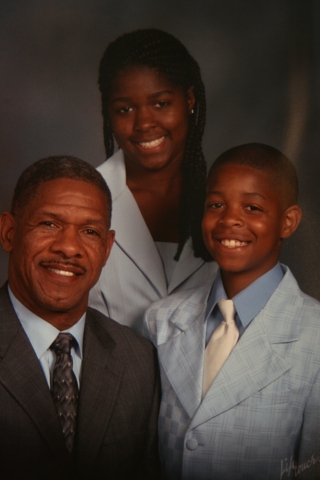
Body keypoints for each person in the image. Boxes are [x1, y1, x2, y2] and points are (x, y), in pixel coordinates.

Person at [144, 143, 320, 480]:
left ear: (288, 221)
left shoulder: (314, 337)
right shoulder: (159, 320)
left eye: (252, 207)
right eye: (216, 205)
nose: (230, 219)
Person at [0, 156, 160, 480]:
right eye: (49, 224)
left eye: (89, 231)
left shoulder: (138, 360)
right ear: (9, 232)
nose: (69, 247)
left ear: (107, 248)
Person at [89, 28, 218, 334]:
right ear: (109, 113)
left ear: (189, 100)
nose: (144, 123)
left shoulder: (224, 201)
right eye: (125, 109)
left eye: (160, 104)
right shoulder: (85, 199)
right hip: (106, 382)